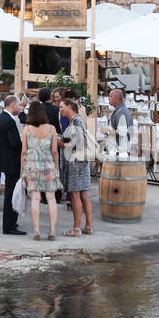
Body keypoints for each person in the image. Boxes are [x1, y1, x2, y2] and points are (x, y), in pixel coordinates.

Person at [21, 101, 62, 240]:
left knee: (35, 198)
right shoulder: (51, 129)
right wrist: (57, 168)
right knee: (50, 197)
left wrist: (22, 168)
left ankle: (37, 230)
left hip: (32, 166)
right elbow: (55, 151)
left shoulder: (27, 129)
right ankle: (52, 231)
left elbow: (23, 151)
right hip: (48, 165)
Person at [0, 94, 26, 235]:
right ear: (12, 105)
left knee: (10, 193)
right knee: (12, 194)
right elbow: (15, 143)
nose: (20, 108)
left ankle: (10, 224)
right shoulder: (9, 122)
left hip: (1, 159)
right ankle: (9, 225)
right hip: (11, 161)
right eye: (19, 105)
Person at [60, 99, 94, 236]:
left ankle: (76, 228)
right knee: (84, 194)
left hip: (76, 162)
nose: (60, 109)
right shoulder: (77, 120)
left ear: (69, 107)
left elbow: (77, 143)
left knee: (75, 195)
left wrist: (61, 143)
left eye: (62, 107)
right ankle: (88, 226)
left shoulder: (76, 122)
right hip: (82, 162)